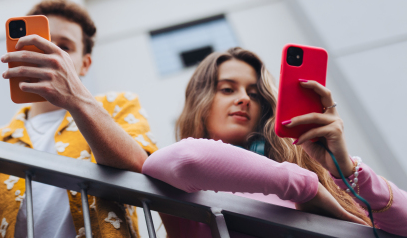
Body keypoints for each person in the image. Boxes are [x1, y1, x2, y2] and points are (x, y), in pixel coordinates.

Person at [142, 47, 407, 237]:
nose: (244, 98)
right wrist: (306, 188)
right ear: (200, 102)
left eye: (254, 94)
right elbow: (185, 159)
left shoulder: (327, 179)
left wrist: (345, 170)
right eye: (227, 89)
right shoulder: (187, 191)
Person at [0, 0, 158, 238]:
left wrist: (76, 99)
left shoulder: (117, 105)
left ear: (85, 65)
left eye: (65, 48)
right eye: (41, 44)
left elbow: (141, 167)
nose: (52, 55)